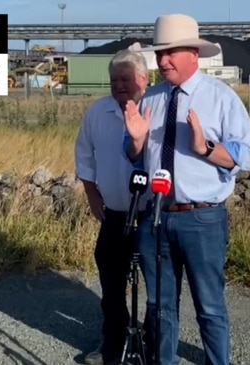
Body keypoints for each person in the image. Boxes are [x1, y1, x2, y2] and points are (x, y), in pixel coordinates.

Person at [122, 13, 250, 365]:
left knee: (209, 306)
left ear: (194, 55)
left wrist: (206, 148)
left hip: (202, 219)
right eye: (160, 53)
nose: (163, 61)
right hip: (156, 216)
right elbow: (135, 158)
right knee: (160, 306)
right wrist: (135, 142)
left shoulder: (221, 98)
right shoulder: (150, 99)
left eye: (171, 53)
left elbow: (245, 156)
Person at [74, 49, 150, 365]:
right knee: (112, 287)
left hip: (152, 215)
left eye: (126, 79)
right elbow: (84, 154)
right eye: (114, 79)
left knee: (159, 289)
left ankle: (155, 344)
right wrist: (91, 192)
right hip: (114, 215)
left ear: (144, 79)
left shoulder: (156, 108)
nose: (119, 85)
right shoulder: (97, 112)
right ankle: (113, 345)